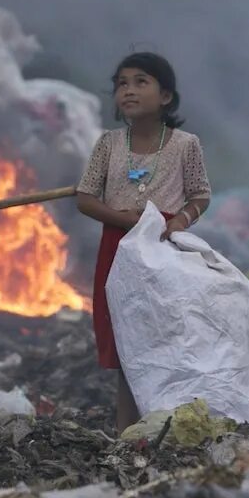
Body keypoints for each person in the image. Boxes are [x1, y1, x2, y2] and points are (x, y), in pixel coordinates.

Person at [76, 53, 211, 433]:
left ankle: (166, 426)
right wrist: (125, 221)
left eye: (140, 82)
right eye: (121, 84)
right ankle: (127, 433)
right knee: (126, 343)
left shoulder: (185, 145)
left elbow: (200, 195)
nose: (129, 91)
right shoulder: (109, 144)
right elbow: (86, 198)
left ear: (166, 95)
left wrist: (180, 221)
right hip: (119, 249)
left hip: (163, 249)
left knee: (163, 336)